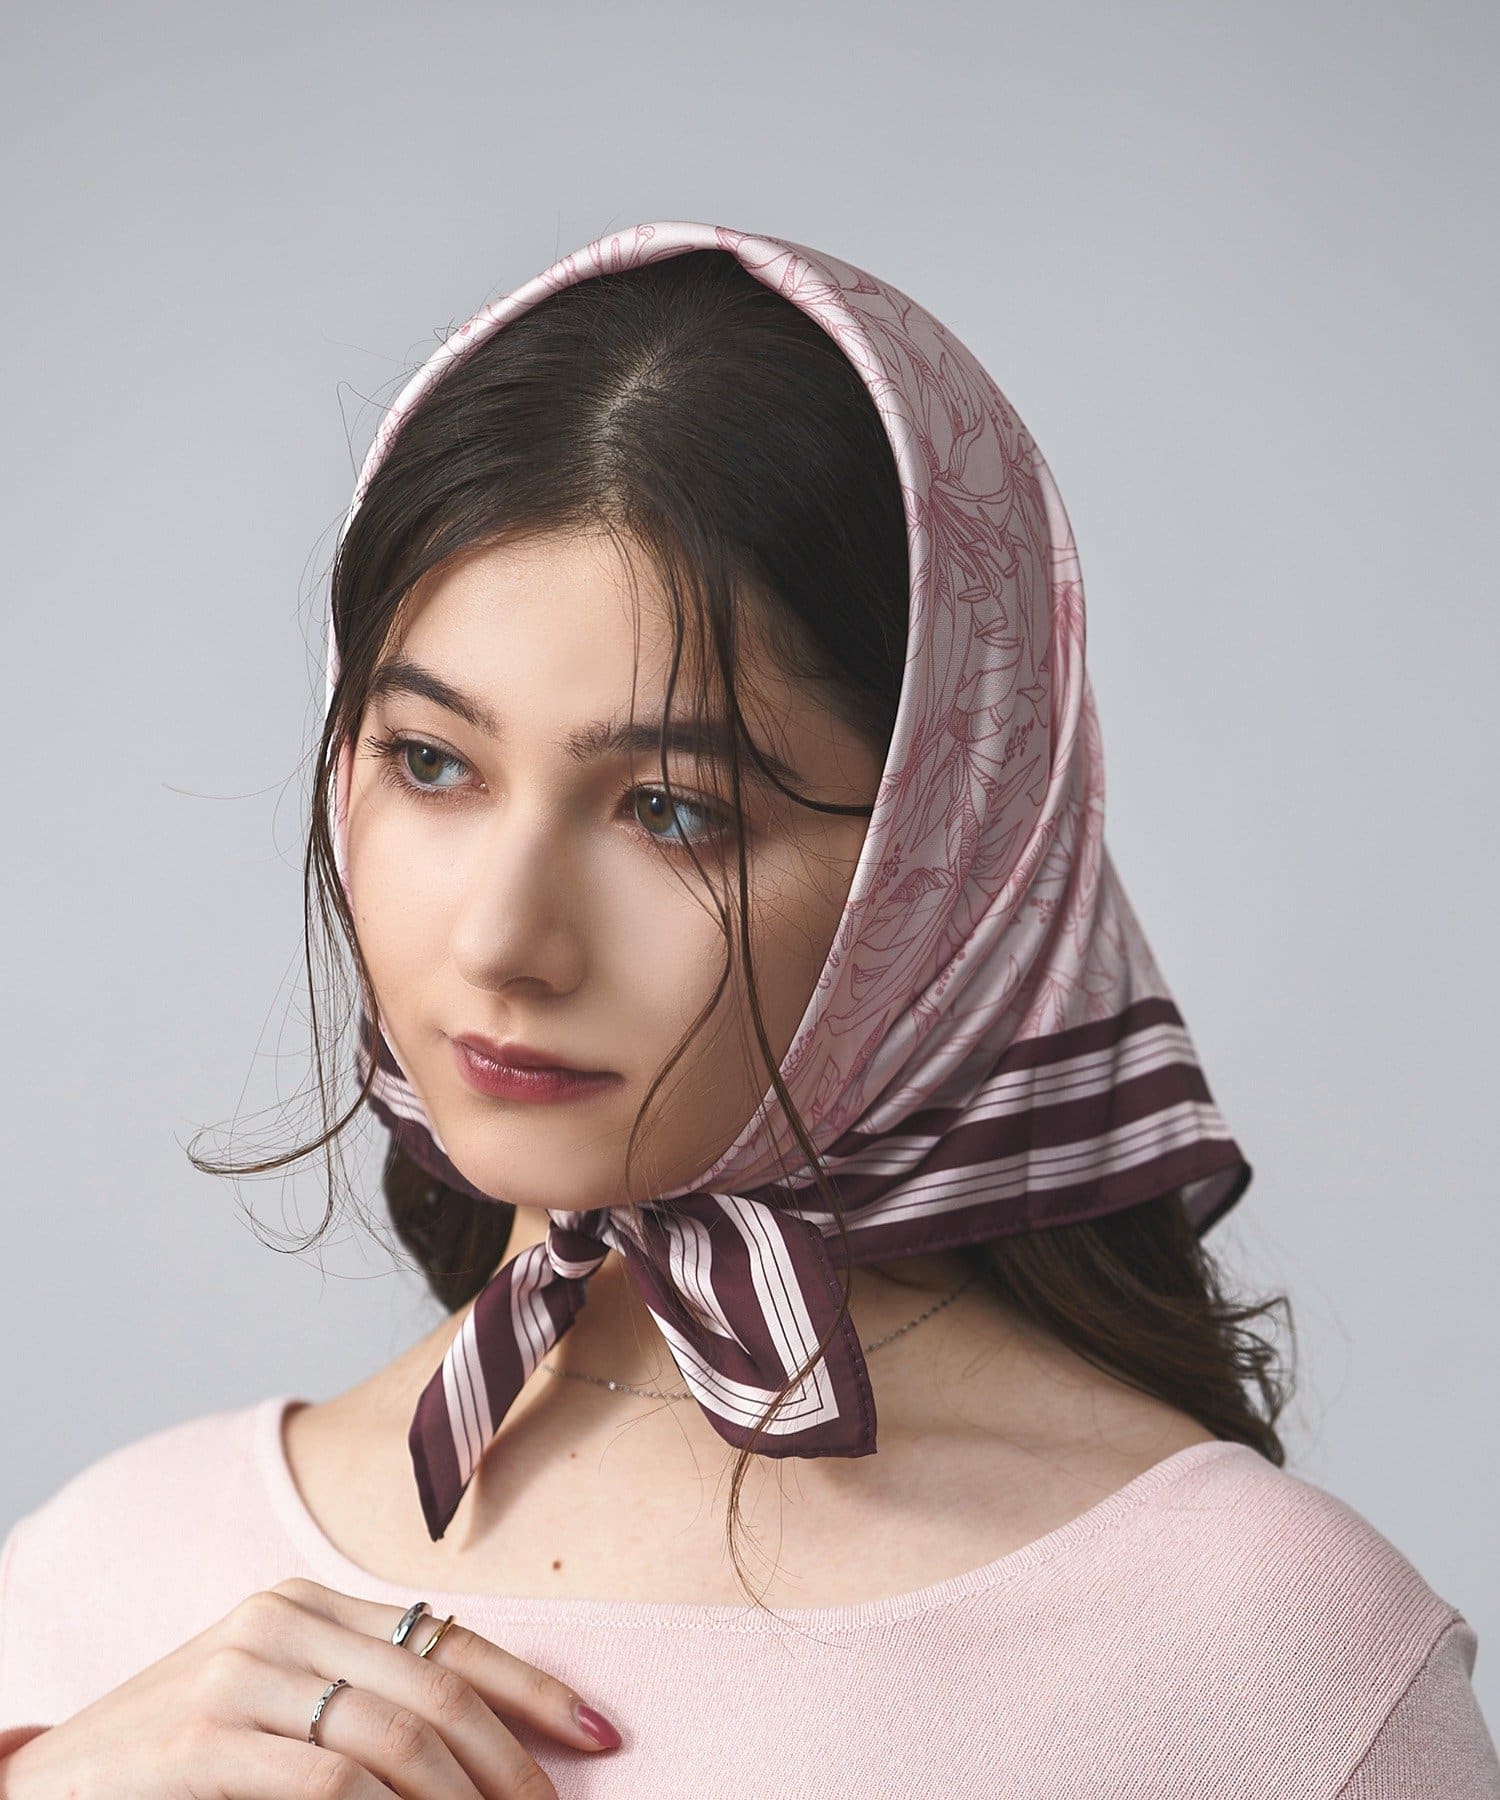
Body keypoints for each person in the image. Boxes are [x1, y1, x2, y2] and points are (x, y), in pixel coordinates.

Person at [1, 222, 1495, 1798]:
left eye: (671, 810)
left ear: (942, 855)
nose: (505, 941)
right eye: (431, 762)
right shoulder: (106, 1588)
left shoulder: (1265, 1660)